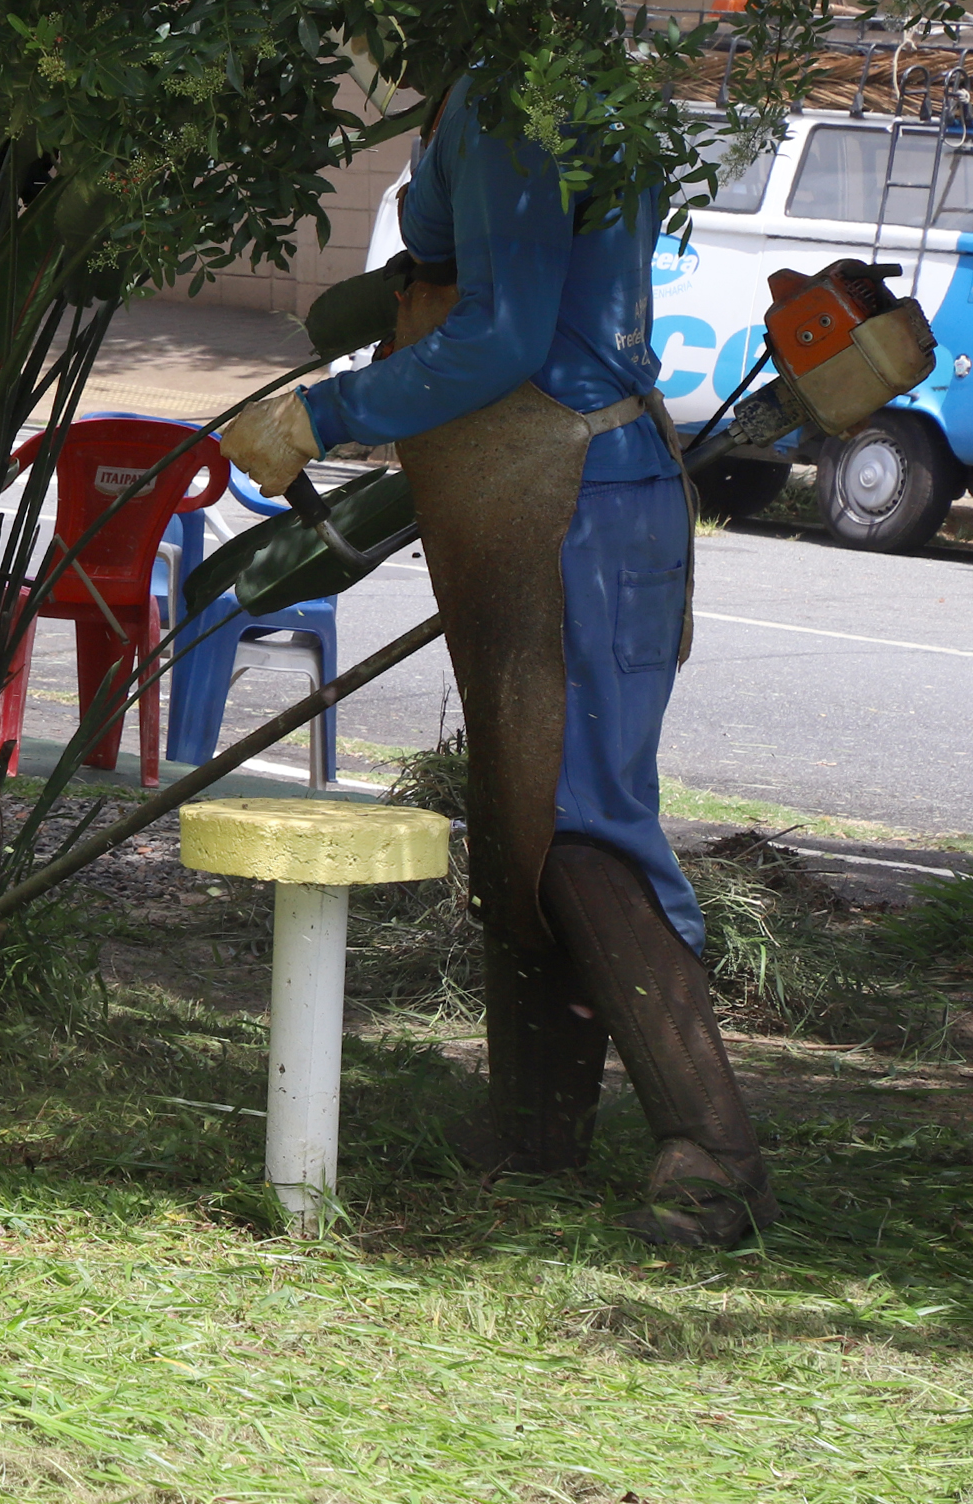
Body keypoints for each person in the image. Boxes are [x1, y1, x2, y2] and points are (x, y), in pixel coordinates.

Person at [221, 76, 774, 1248]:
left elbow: (508, 333)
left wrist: (330, 412)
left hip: (574, 491)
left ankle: (713, 1154)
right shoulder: (501, 80)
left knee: (578, 816)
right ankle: (534, 1130)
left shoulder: (525, 90)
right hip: (525, 492)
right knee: (522, 811)